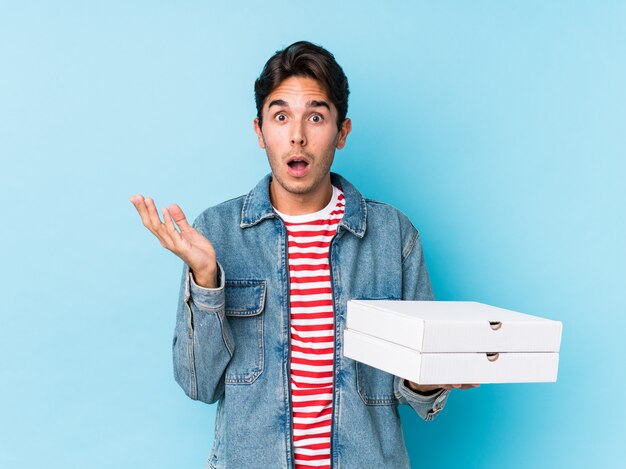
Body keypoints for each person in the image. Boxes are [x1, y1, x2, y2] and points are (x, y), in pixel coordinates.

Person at [130, 41, 477, 469]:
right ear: (259, 132)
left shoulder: (393, 236)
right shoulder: (216, 232)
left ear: (342, 132)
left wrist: (428, 383)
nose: (297, 135)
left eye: (315, 116)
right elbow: (199, 384)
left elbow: (417, 394)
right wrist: (205, 277)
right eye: (280, 116)